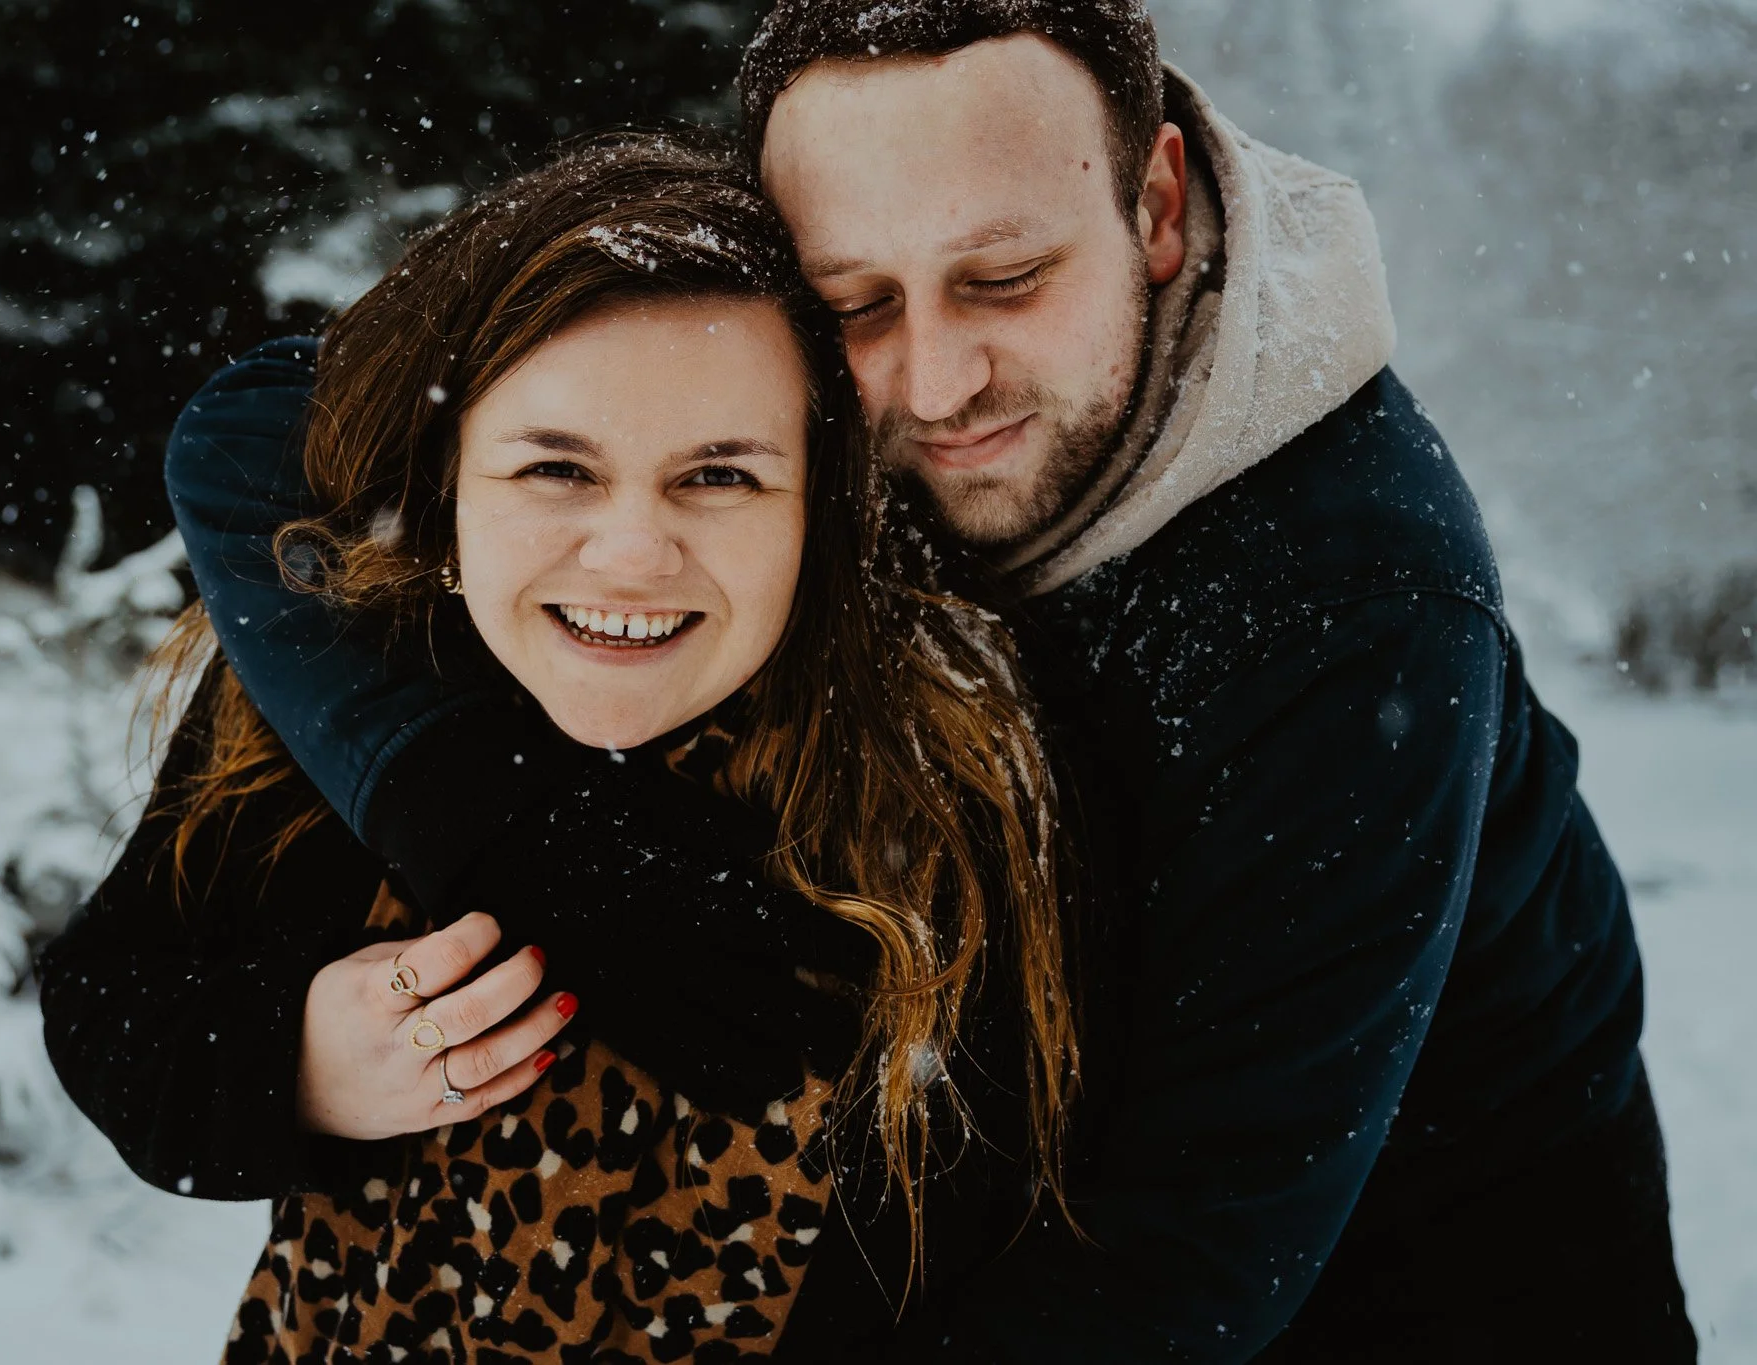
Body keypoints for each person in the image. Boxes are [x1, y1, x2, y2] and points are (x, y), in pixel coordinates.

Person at [144, 3, 1699, 1361]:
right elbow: (252, 432)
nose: (939, 384)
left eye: (1006, 278)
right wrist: (494, 814)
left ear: (1158, 204)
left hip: (1429, 1283)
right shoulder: (770, 397)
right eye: (856, 304)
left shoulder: (1346, 604)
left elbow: (1185, 1257)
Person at [40, 132, 1088, 1362]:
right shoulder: (342, 681)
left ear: (822, 496)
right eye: (555, 468)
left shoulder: (952, 773)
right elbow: (112, 1005)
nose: (631, 553)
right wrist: (302, 1064)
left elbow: (1055, 1248)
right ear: (452, 481)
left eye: (719, 476)